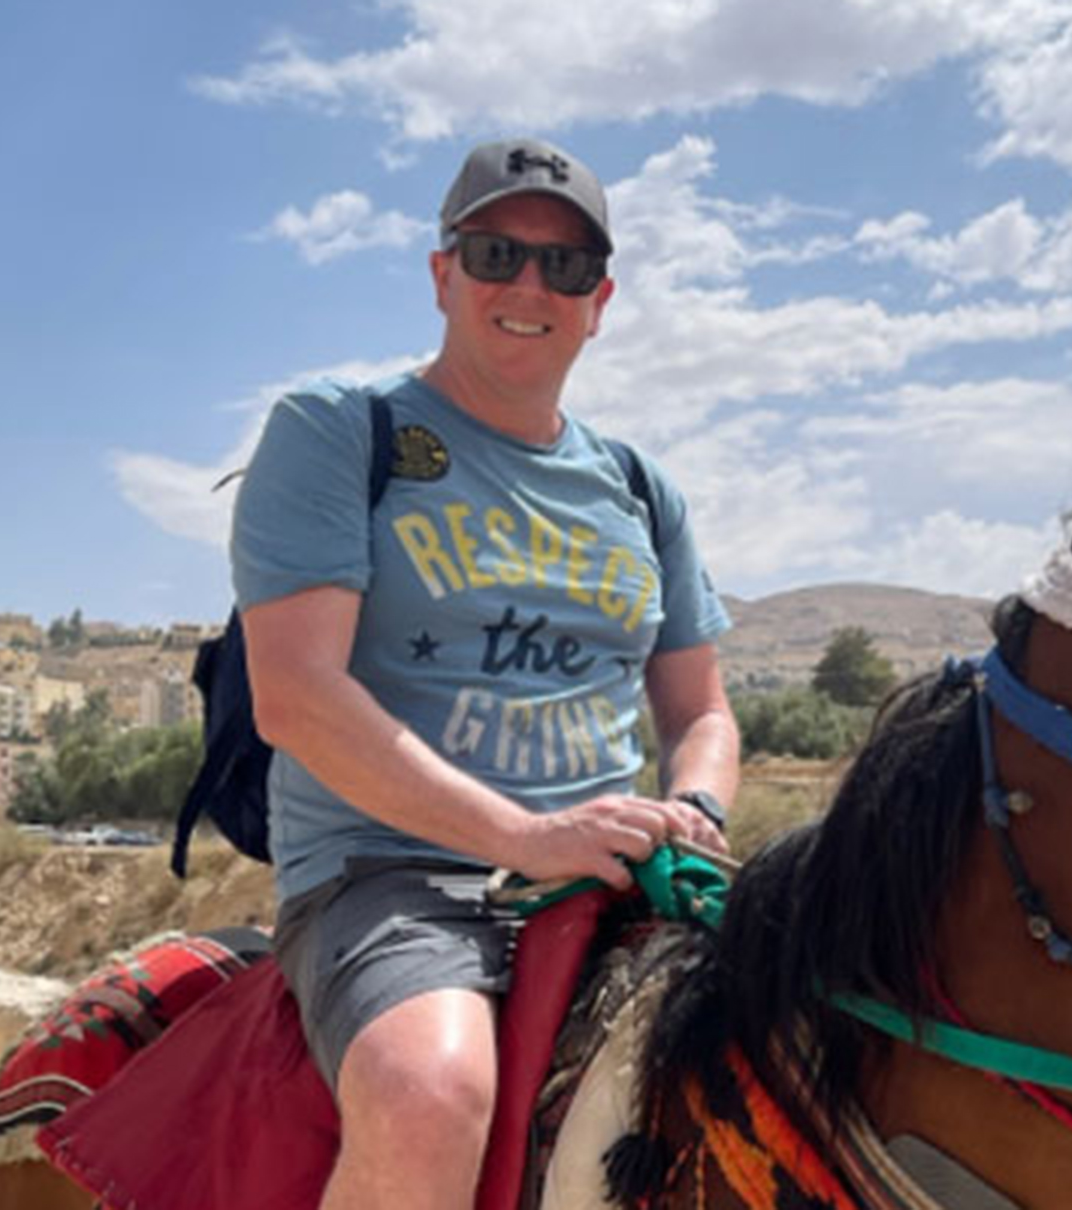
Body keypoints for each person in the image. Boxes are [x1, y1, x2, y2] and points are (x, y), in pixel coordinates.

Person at [230, 136, 739, 1209]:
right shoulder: (339, 432)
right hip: (391, 875)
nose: (527, 286)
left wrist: (693, 806)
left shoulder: (641, 491)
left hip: (612, 876)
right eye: (497, 252)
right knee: (429, 1095)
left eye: (562, 267)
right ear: (441, 273)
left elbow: (698, 709)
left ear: (597, 301)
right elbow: (298, 695)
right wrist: (523, 835)